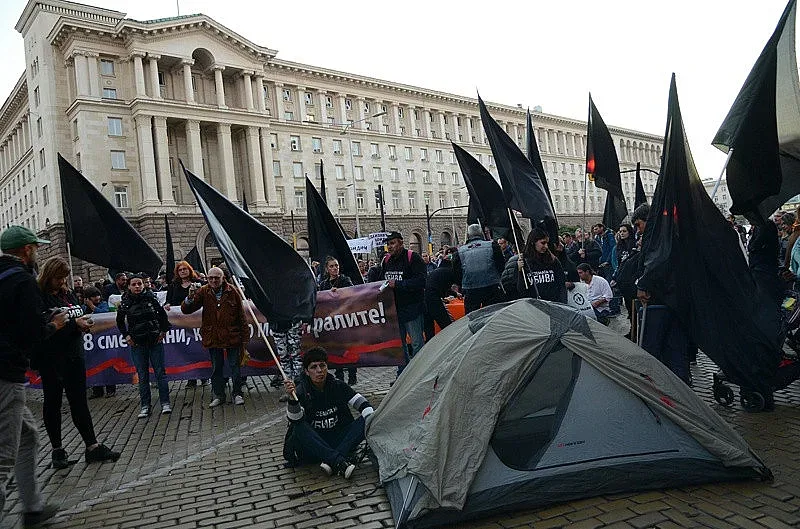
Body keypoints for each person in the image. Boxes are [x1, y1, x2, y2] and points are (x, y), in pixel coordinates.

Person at [0, 226, 68, 526]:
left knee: (28, 435)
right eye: (36, 248)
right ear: (27, 250)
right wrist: (55, 325)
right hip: (6, 374)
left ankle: (33, 507)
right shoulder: (22, 281)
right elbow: (32, 334)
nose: (37, 253)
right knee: (3, 457)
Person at [34, 257, 120, 471]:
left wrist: (82, 323)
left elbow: (76, 316)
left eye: (64, 277)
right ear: (48, 276)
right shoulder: (38, 296)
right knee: (52, 402)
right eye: (58, 277)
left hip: (74, 355)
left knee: (79, 401)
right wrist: (74, 324)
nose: (62, 281)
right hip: (52, 358)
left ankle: (92, 446)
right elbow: (44, 327)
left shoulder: (67, 293)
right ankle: (57, 450)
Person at [282, 347, 374, 479]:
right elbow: (295, 420)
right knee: (299, 427)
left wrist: (369, 416)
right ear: (306, 372)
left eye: (322, 365)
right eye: (313, 367)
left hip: (337, 440)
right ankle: (339, 461)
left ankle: (332, 460)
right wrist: (292, 398)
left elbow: (365, 406)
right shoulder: (301, 390)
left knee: (368, 419)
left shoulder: (338, 385)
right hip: (314, 445)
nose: (319, 371)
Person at [181, 267, 248, 407]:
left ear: (223, 278)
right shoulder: (203, 291)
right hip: (213, 336)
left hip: (231, 335)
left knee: (235, 367)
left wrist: (245, 339)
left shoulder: (233, 291)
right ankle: (219, 395)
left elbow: (241, 316)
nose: (213, 281)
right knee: (216, 367)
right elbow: (187, 310)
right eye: (210, 278)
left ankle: (237, 393)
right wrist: (189, 298)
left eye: (216, 278)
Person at [117, 274, 173, 418]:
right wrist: (126, 335)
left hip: (154, 341)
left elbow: (162, 316)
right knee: (142, 375)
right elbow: (120, 321)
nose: (137, 287)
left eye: (139, 284)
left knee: (160, 373)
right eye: (134, 284)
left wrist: (163, 331)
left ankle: (165, 403)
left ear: (144, 285)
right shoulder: (125, 302)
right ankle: (145, 406)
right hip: (137, 343)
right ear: (129, 286)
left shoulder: (151, 298)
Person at [376, 231, 426, 378]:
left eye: (392, 243)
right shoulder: (386, 261)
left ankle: (419, 374)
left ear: (401, 242)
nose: (389, 247)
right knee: (399, 345)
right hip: (395, 310)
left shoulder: (413, 258)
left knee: (416, 343)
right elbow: (381, 280)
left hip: (412, 309)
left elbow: (421, 281)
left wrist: (398, 284)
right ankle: (402, 375)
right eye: (388, 244)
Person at [165, 261, 207, 388]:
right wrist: (167, 305)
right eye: (180, 270)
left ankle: (204, 375)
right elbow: (169, 300)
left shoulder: (200, 284)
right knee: (187, 350)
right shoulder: (173, 286)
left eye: (185, 269)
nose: (183, 271)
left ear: (190, 270)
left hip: (198, 322)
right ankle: (191, 377)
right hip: (181, 324)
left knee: (200, 348)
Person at [318, 257, 357, 385]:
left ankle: (352, 375)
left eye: (336, 265)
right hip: (332, 322)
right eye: (332, 266)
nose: (335, 268)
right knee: (336, 349)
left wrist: (340, 292)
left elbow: (353, 293)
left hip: (345, 320)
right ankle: (339, 375)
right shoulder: (323, 284)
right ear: (327, 269)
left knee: (349, 347)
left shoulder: (345, 280)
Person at [452, 224, 505, 314]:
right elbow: (501, 265)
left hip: (471, 289)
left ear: (468, 235)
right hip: (491, 287)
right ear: (481, 234)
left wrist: (463, 284)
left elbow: (456, 273)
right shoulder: (492, 245)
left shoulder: (460, 251)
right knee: (492, 316)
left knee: (473, 317)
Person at [517, 228, 567, 303]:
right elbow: (521, 290)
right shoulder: (523, 261)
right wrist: (520, 271)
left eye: (547, 243)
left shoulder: (553, 260)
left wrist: (563, 303)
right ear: (533, 242)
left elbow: (562, 284)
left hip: (553, 306)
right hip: (534, 307)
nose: (546, 246)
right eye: (543, 243)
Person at [84, 286, 115, 399]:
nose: (97, 298)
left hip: (104, 340)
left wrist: (92, 307)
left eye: (98, 295)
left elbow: (105, 313)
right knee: (94, 365)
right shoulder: (84, 307)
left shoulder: (103, 304)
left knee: (107, 365)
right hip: (91, 342)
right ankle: (97, 390)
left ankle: (110, 389)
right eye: (93, 296)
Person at [423, 250, 457, 341]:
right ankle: (452, 342)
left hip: (425, 299)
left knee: (429, 329)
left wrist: (454, 293)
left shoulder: (438, 270)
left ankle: (430, 347)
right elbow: (447, 285)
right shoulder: (449, 271)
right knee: (446, 324)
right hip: (433, 299)